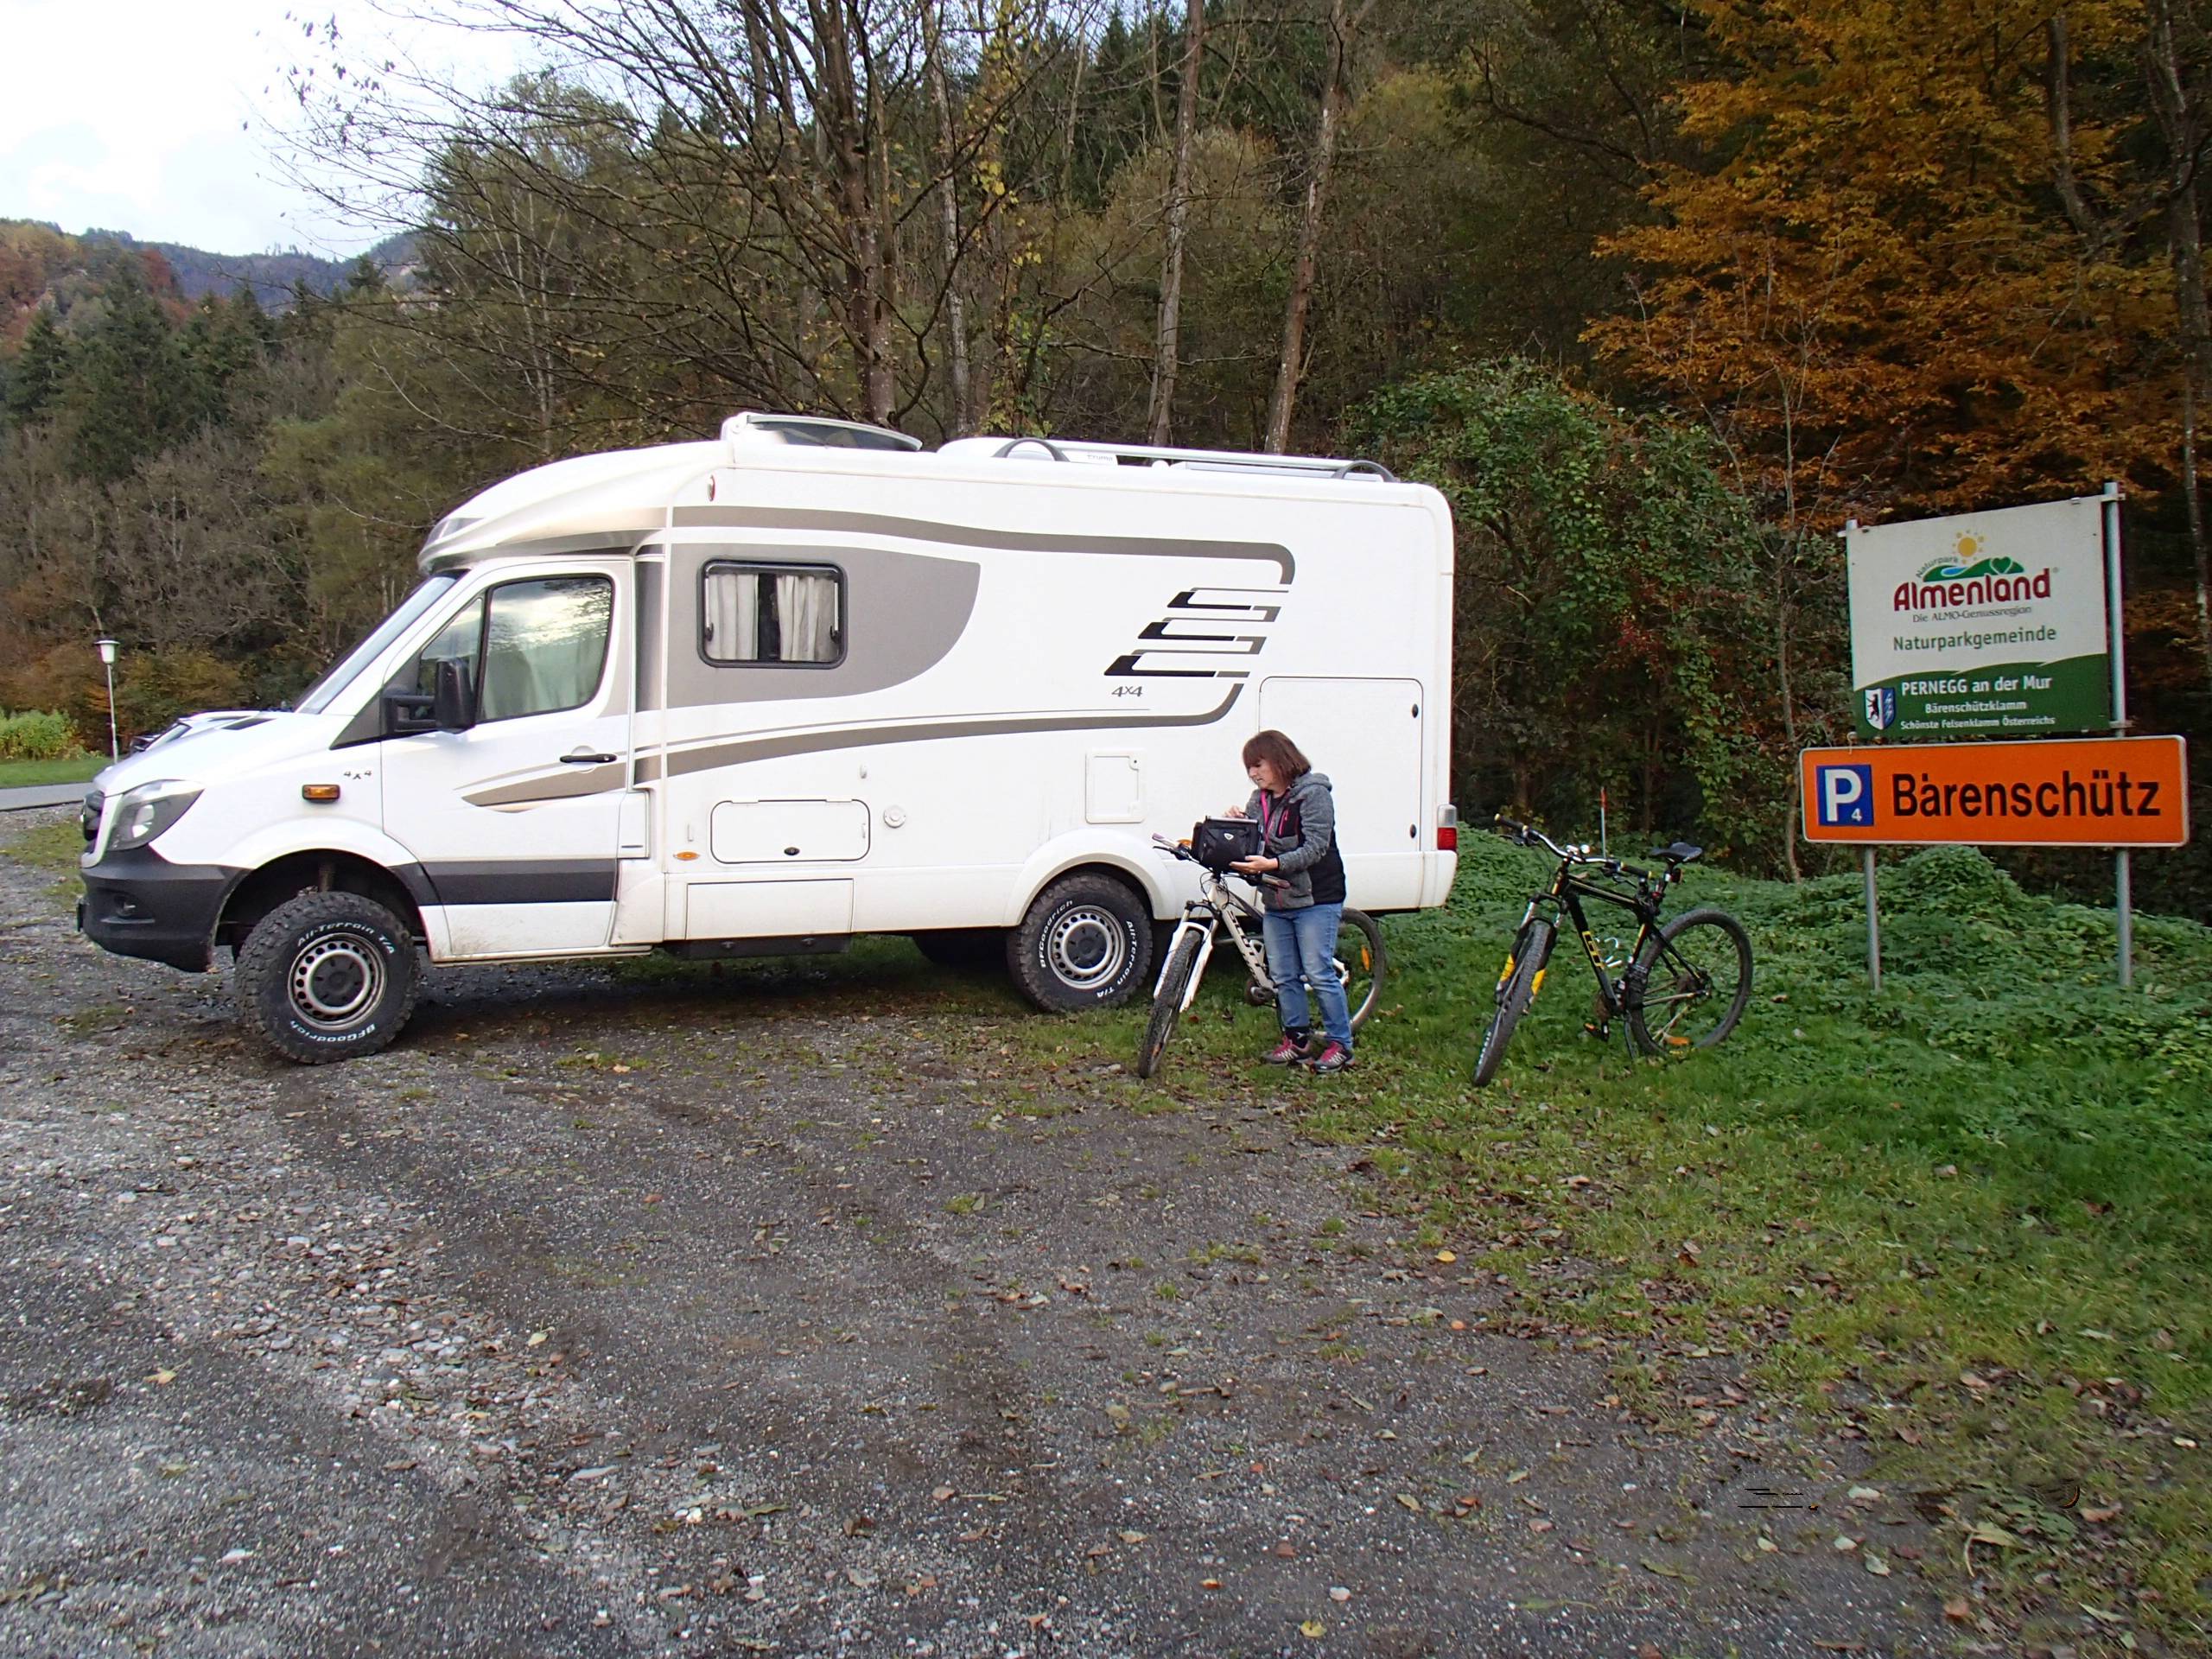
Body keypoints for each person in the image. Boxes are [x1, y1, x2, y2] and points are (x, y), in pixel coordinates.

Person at [1226, 729, 1352, 1072]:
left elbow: (1315, 848)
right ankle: (1297, 1040)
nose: (1254, 773)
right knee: (1284, 975)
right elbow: (1256, 842)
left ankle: (1341, 1044)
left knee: (1318, 971)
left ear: (1279, 759)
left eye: (1258, 765)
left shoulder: (1314, 795)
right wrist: (1237, 827)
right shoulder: (1259, 799)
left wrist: (1274, 863)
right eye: (1249, 768)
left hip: (1317, 897)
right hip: (1278, 899)